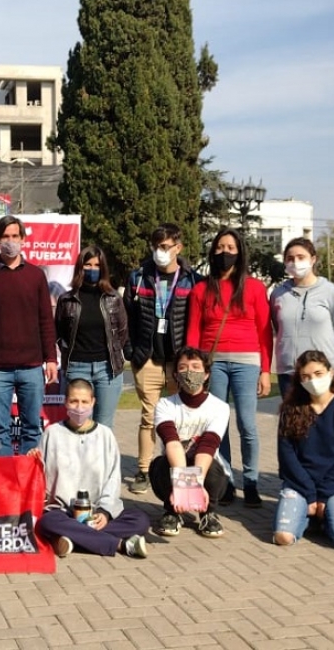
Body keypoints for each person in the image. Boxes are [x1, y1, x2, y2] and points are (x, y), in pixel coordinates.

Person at [186, 227, 272, 508]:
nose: (225, 252)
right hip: (214, 363)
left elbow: (264, 331)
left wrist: (265, 371)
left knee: (247, 425)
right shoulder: (200, 290)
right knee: (217, 426)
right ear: (213, 252)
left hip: (247, 362)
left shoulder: (255, 287)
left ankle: (251, 482)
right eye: (220, 247)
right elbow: (193, 332)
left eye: (231, 248)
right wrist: (193, 370)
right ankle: (226, 482)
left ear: (240, 252)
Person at [0, 215, 58, 456]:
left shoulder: (36, 276)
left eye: (15, 236)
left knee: (31, 429)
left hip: (32, 367)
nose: (10, 241)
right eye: (5, 237)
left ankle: (28, 484)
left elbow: (45, 321)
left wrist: (51, 359)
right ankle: (5, 485)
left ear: (23, 239)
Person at [29, 379, 149, 559]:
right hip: (63, 512)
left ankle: (70, 538)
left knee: (140, 520)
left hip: (96, 512)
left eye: (85, 402)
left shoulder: (105, 435)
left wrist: (105, 513)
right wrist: (33, 461)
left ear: (93, 402)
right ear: (65, 402)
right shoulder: (51, 433)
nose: (79, 407)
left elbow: (113, 478)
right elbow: (38, 476)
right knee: (47, 522)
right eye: (74, 401)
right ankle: (120, 544)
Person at [123, 223, 200, 495]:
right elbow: (127, 317)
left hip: (178, 361)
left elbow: (196, 319)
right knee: (149, 417)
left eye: (166, 247)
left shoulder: (192, 279)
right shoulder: (139, 277)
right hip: (147, 359)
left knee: (180, 420)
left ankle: (178, 471)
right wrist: (130, 350)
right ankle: (143, 471)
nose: (160, 252)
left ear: (178, 248)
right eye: (156, 247)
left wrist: (193, 358)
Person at [274, 351, 334, 551]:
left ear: (330, 373)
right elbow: (286, 456)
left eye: (318, 373)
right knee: (283, 537)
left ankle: (325, 518)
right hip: (299, 485)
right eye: (306, 376)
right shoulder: (291, 410)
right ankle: (308, 518)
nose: (312, 380)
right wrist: (310, 494)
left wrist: (322, 496)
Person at [150, 347, 231, 539]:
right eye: (183, 367)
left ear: (206, 374)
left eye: (196, 367)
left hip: (206, 467)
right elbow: (172, 442)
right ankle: (172, 511)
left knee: (209, 466)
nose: (190, 372)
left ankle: (207, 512)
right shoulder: (164, 405)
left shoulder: (220, 407)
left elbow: (208, 446)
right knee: (163, 464)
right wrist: (183, 486)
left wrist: (195, 484)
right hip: (174, 464)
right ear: (176, 374)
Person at [55, 245, 128, 430]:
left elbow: (122, 331)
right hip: (77, 367)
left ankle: (101, 460)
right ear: (80, 267)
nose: (92, 269)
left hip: (107, 369)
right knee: (78, 424)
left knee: (103, 426)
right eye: (88, 264)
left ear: (103, 268)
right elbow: (59, 332)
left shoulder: (113, 298)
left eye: (97, 265)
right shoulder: (66, 299)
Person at [270, 238, 334, 399]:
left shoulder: (331, 292)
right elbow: (279, 328)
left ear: (313, 259)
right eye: (290, 259)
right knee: (293, 422)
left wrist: (328, 363)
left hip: (321, 373)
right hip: (289, 372)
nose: (295, 262)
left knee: (324, 422)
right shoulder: (278, 294)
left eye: (301, 257)